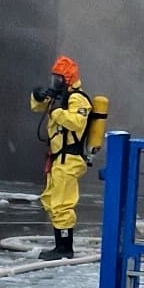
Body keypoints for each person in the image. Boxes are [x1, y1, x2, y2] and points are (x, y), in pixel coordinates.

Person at [29, 55, 93, 260]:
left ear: (67, 78)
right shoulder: (58, 97)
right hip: (57, 158)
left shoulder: (77, 99)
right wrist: (37, 94)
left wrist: (56, 111)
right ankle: (60, 244)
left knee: (63, 204)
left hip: (70, 158)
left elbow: (77, 123)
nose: (54, 83)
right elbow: (36, 107)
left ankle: (65, 248)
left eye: (57, 79)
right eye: (52, 79)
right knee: (51, 200)